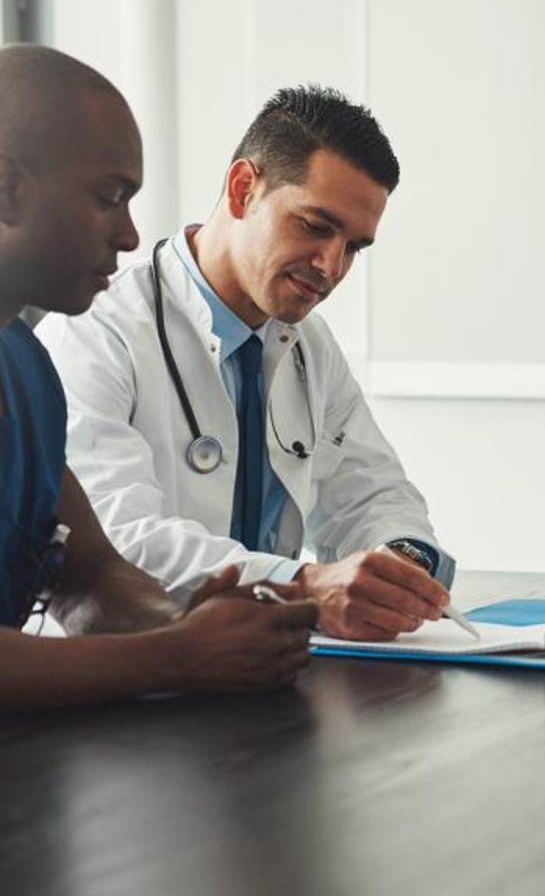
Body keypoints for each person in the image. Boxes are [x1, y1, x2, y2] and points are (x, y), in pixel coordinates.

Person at [39, 86, 453, 642]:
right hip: (120, 682)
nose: (331, 265)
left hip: (256, 667)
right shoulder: (95, 329)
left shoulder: (309, 344)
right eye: (314, 225)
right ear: (243, 189)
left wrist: (398, 564)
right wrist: (302, 585)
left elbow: (374, 491)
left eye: (354, 247)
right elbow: (118, 543)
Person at [0, 44, 316, 708]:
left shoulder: (24, 367)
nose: (128, 235)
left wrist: (186, 618)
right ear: (6, 187)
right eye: (109, 197)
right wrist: (174, 655)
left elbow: (89, 578)